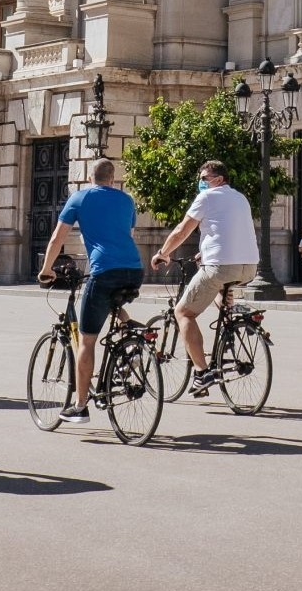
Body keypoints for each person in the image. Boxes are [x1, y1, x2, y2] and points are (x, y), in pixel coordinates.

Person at [37, 159, 145, 424]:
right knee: (111, 302)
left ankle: (80, 406)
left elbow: (57, 238)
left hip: (104, 270)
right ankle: (129, 337)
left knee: (87, 341)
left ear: (89, 178)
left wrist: (46, 269)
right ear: (113, 179)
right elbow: (127, 234)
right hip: (134, 269)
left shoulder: (80, 198)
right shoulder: (127, 200)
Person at [150, 160, 260, 394]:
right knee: (218, 286)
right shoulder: (240, 198)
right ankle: (230, 326)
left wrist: (163, 253)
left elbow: (182, 230)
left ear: (218, 179)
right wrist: (204, 251)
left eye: (203, 179)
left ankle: (202, 373)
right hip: (249, 267)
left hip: (220, 267)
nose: (200, 183)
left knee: (183, 313)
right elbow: (227, 231)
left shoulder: (207, 197)